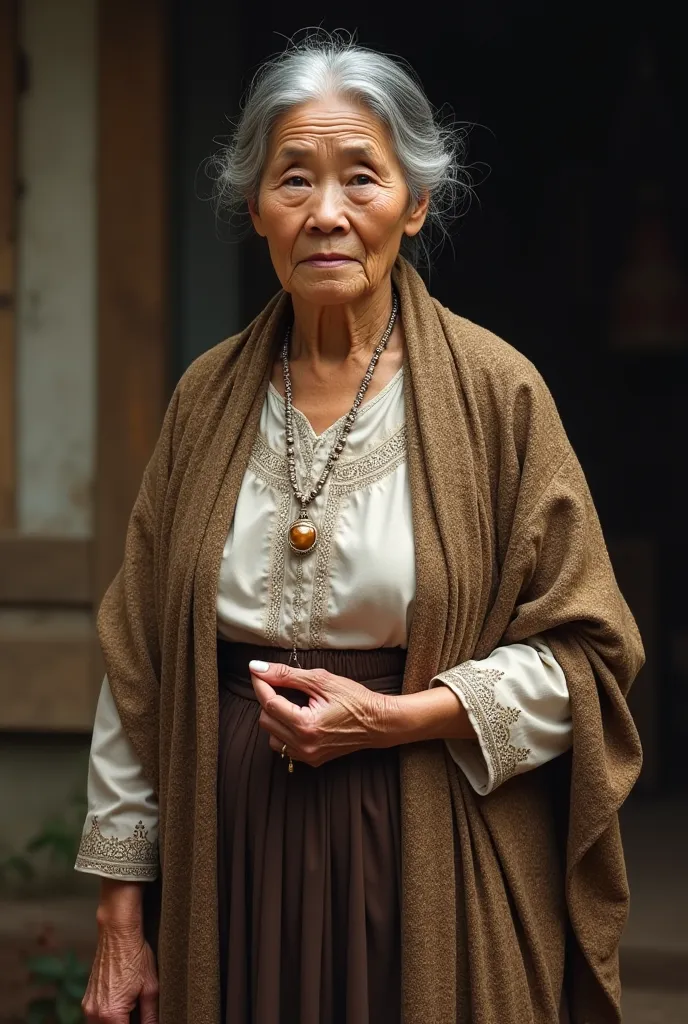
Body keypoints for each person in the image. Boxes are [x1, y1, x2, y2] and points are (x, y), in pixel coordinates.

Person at [76, 32, 643, 1024]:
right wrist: (122, 919)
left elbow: (586, 660)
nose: (327, 213)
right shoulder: (206, 398)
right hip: (232, 854)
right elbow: (140, 672)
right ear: (255, 207)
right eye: (293, 179)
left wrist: (392, 719)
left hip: (429, 849)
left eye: (362, 178)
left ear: (415, 203)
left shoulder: (494, 395)